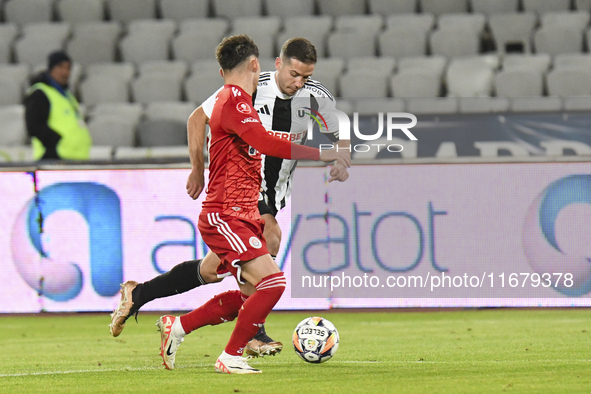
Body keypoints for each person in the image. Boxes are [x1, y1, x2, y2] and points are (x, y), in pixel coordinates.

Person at [109, 38, 349, 358]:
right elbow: (198, 118)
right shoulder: (246, 87)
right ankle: (253, 334)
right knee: (271, 236)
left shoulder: (316, 96)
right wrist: (197, 170)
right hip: (244, 190)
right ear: (276, 64)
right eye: (294, 73)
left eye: (305, 76)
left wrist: (341, 157)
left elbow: (339, 131)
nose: (298, 82)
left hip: (274, 192)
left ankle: (141, 296)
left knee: (210, 271)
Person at [24, 51, 92, 161]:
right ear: (51, 69)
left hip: (76, 159)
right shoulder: (40, 93)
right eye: (60, 67)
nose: (65, 72)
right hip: (55, 158)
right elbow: (34, 125)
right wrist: (55, 141)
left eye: (68, 68)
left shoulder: (68, 95)